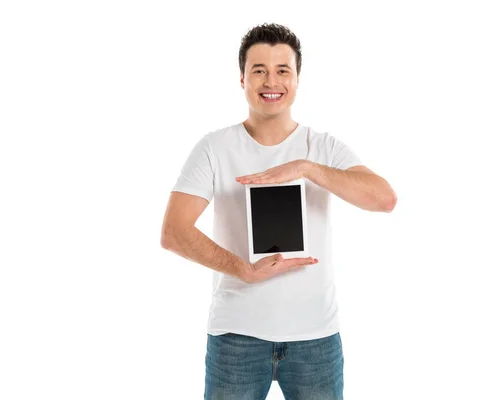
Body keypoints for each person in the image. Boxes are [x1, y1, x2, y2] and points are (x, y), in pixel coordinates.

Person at [160, 23, 397, 400]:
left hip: (315, 339)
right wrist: (244, 270)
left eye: (282, 70)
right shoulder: (214, 147)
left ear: (298, 79)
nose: (271, 81)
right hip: (236, 336)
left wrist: (306, 168)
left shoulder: (322, 147)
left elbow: (384, 199)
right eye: (259, 70)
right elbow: (173, 232)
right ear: (242, 79)